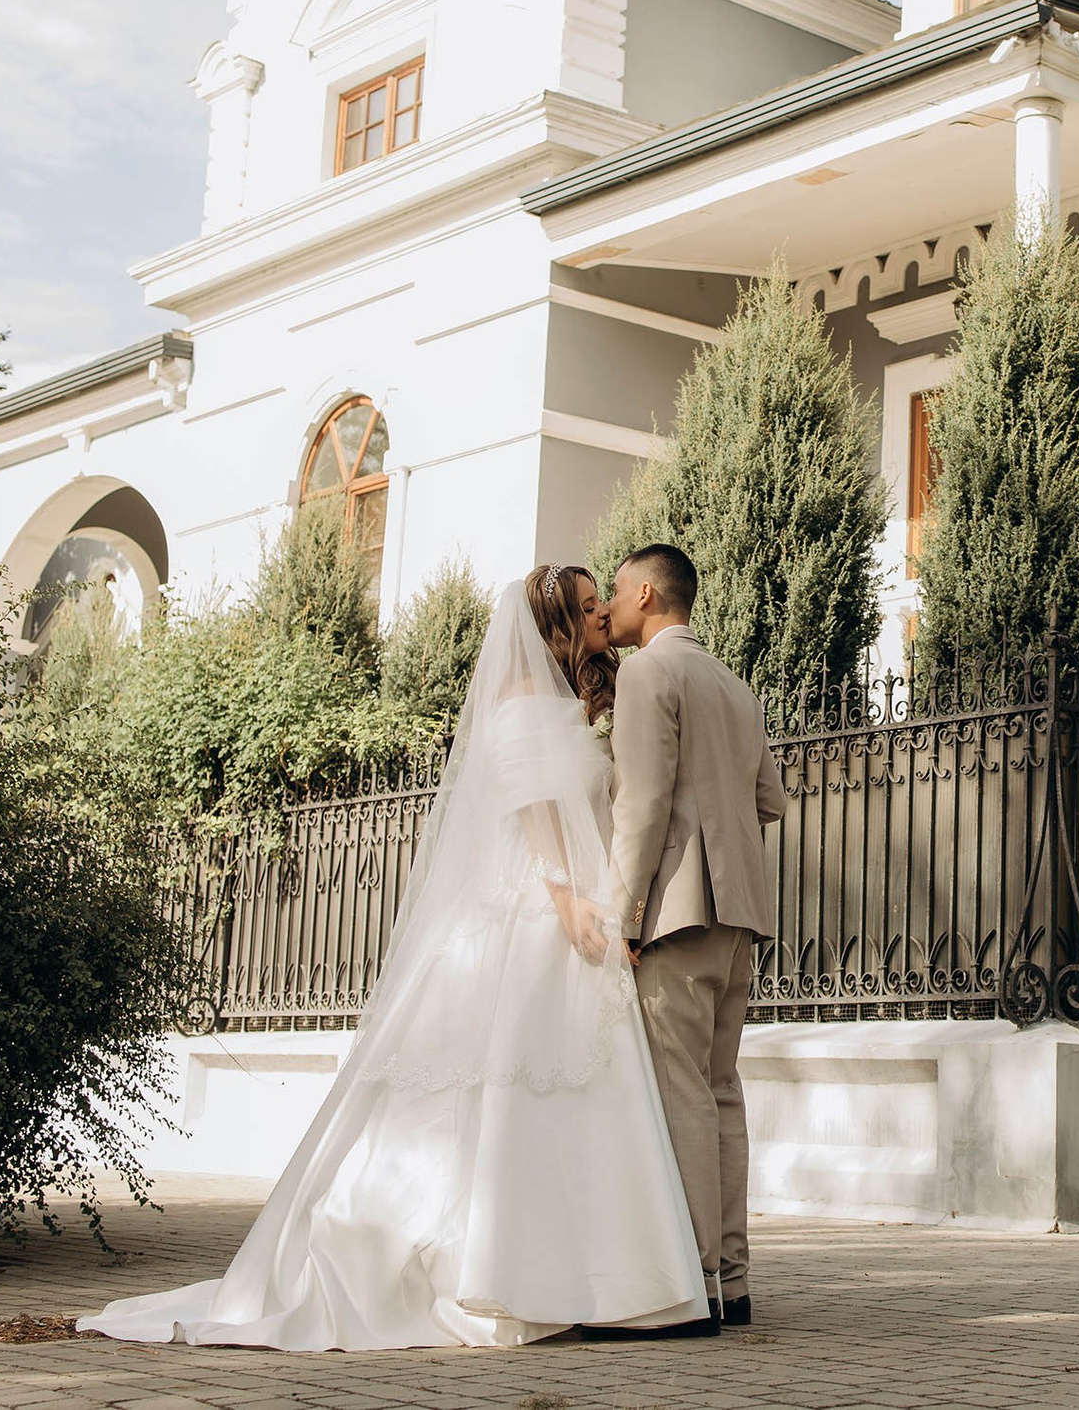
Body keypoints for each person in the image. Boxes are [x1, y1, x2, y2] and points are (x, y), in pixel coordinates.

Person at [79, 565, 710, 1350]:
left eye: (597, 608)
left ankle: (605, 1281)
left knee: (568, 1091)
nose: (597, 621)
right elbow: (533, 810)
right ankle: (502, 1271)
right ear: (550, 624)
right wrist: (561, 897)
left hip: (572, 917)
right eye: (584, 611)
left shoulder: (564, 707)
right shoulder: (518, 708)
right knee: (508, 1087)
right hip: (532, 916)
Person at [603, 543, 787, 1331]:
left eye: (614, 592)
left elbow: (641, 806)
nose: (607, 607)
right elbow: (771, 801)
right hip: (741, 917)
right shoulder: (736, 686)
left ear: (647, 593)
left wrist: (619, 917)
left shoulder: (647, 673)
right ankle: (736, 1280)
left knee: (681, 1092)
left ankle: (694, 1278)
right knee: (721, 1093)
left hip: (676, 918)